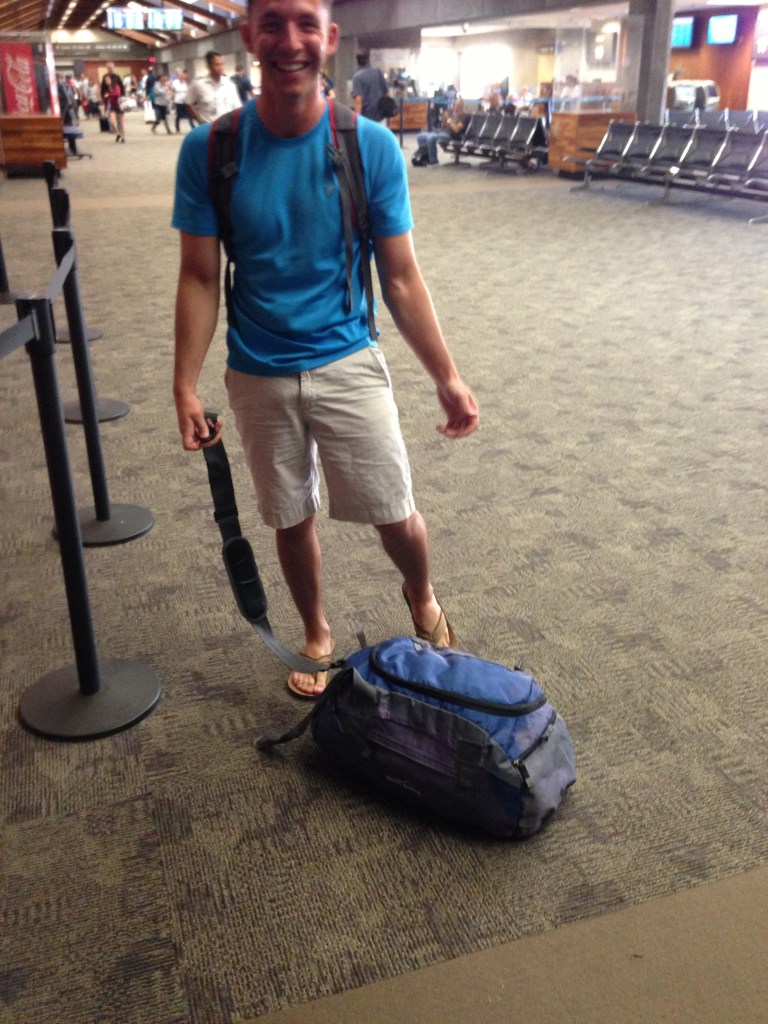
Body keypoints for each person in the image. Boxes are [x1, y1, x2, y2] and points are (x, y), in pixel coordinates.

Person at [172, 0, 479, 699]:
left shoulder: (369, 146)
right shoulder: (211, 149)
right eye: (273, 23)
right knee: (290, 515)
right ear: (249, 36)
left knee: (394, 509)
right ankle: (315, 631)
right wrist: (185, 384)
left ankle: (422, 595)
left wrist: (447, 376)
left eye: (306, 24)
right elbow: (198, 277)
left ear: (330, 38)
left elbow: (400, 277)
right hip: (257, 370)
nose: (290, 41)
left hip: (348, 358)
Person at [186, 51, 242, 124]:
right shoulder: (198, 84)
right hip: (210, 126)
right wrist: (199, 120)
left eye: (222, 64)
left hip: (229, 126)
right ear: (208, 66)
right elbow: (188, 103)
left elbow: (238, 107)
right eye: (217, 65)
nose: (220, 67)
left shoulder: (229, 84)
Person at [414, 98, 470, 166]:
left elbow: (456, 129)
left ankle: (434, 162)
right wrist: (444, 119)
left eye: (455, 105)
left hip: (452, 135)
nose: (454, 106)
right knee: (420, 136)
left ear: (460, 106)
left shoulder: (464, 116)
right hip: (443, 131)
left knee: (431, 138)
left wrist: (448, 119)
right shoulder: (454, 114)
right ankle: (426, 156)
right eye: (454, 104)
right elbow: (446, 125)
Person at [351, 48, 389, 122]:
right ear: (368, 59)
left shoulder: (357, 77)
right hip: (381, 116)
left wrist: (357, 122)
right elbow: (387, 94)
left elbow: (358, 100)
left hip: (367, 118)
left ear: (357, 61)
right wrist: (388, 115)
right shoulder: (378, 72)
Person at [101, 63, 125, 142]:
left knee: (120, 122)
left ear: (114, 67)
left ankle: (123, 137)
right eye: (109, 68)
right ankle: (118, 133)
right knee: (112, 122)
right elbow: (103, 90)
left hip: (119, 103)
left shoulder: (117, 77)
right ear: (107, 68)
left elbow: (121, 89)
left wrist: (123, 98)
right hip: (111, 104)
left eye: (112, 67)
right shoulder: (104, 77)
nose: (110, 69)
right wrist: (104, 97)